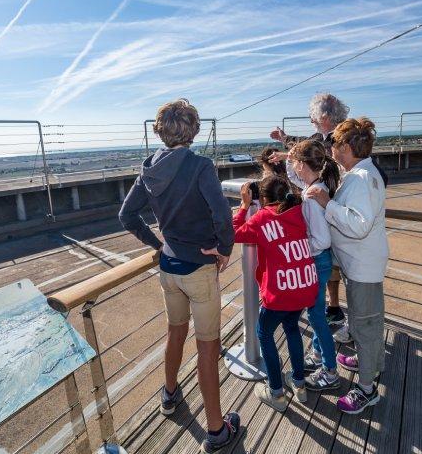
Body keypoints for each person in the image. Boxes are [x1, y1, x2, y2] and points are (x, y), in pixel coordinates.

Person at [118, 99, 240, 452]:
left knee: (175, 333)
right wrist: (225, 249)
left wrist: (157, 246)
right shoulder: (200, 166)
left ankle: (169, 395)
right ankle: (216, 430)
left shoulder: (149, 169)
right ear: (194, 129)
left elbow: (127, 216)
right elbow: (222, 216)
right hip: (198, 269)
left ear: (160, 130)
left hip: (169, 267)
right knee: (207, 346)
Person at [307, 117, 389, 415]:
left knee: (365, 326)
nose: (331, 150)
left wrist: (327, 203)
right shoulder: (363, 173)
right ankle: (371, 363)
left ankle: (367, 390)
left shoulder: (361, 178)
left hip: (362, 267)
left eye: (336, 144)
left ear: (348, 147)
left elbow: (359, 225)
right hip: (362, 265)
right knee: (367, 322)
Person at [232, 176, 318, 411]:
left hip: (279, 292)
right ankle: (299, 384)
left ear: (263, 198)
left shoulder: (262, 218)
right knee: (292, 329)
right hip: (304, 286)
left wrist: (243, 206)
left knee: (265, 333)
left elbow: (234, 233)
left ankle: (276, 393)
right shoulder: (299, 211)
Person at [269, 94, 351, 330]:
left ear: (324, 117)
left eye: (313, 114)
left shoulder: (341, 138)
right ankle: (334, 308)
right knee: (332, 266)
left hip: (333, 206)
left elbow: (317, 152)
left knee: (339, 267)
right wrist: (285, 140)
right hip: (327, 206)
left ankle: (339, 315)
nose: (310, 118)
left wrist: (287, 155)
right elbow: (304, 145)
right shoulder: (321, 137)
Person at [287, 140, 343, 390]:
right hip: (320, 260)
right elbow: (296, 179)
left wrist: (300, 250)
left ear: (302, 164)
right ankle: (320, 355)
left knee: (317, 316)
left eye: (295, 164)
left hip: (316, 260)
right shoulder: (315, 186)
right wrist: (290, 158)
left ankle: (330, 370)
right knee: (317, 312)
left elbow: (321, 239)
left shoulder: (311, 197)